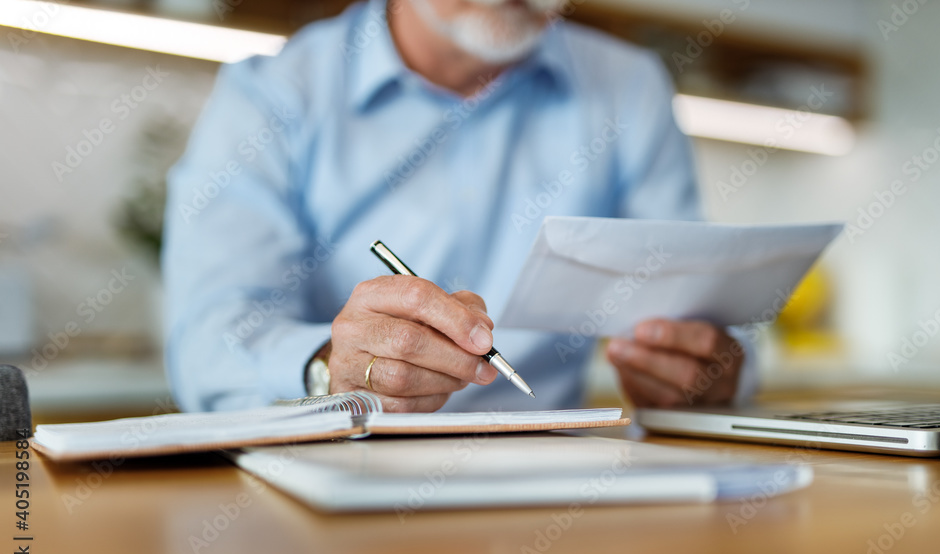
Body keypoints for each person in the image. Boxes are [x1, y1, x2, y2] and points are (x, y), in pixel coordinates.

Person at [163, 0, 754, 413]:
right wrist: (326, 369)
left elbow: (702, 306)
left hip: (553, 490)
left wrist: (710, 368)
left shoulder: (630, 88)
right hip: (340, 473)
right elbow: (206, 344)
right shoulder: (271, 95)